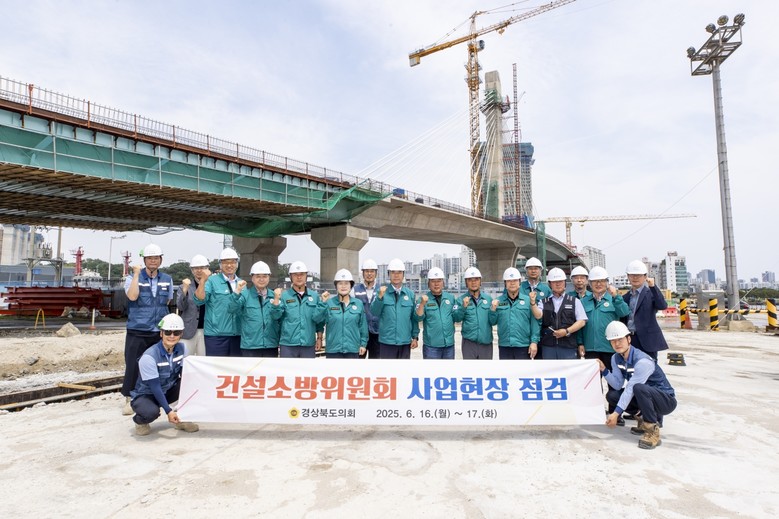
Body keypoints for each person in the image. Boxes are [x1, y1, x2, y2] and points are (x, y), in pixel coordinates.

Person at [601, 320, 677, 449]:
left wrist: (616, 413)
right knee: (612, 396)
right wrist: (604, 370)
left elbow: (631, 388)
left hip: (665, 401)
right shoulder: (616, 358)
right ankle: (642, 418)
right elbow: (618, 385)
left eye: (620, 339)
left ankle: (652, 430)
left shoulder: (642, 361)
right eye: (613, 341)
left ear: (629, 339)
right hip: (644, 397)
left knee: (638, 388)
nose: (617, 344)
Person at [121, 243, 174, 415]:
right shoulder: (132, 277)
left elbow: (167, 301)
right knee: (133, 365)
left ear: (161, 260)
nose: (153, 261)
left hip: (158, 330)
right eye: (149, 258)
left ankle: (152, 396)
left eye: (156, 258)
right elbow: (132, 296)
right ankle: (129, 399)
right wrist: (137, 274)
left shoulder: (167, 279)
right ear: (144, 260)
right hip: (137, 329)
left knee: (157, 365)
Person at [130, 313, 199, 436]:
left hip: (167, 389)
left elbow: (185, 375)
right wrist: (168, 411)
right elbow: (155, 387)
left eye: (176, 333)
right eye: (168, 332)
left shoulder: (183, 349)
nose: (172, 336)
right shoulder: (149, 357)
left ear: (181, 334)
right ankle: (140, 421)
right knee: (150, 413)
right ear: (161, 333)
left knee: (193, 385)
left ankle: (181, 419)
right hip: (147, 394)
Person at [194, 248, 243, 357]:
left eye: (232, 262)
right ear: (220, 264)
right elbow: (199, 300)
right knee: (215, 366)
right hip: (215, 336)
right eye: (225, 262)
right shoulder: (211, 281)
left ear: (237, 264)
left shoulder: (241, 283)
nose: (229, 265)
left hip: (237, 335)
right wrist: (203, 280)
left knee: (235, 367)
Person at [271, 261, 323, 358]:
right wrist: (276, 301)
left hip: (308, 344)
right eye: (295, 275)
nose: (299, 277)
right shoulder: (284, 296)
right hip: (288, 345)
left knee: (307, 368)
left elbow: (319, 321)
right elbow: (275, 317)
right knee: (287, 368)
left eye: (302, 274)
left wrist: (319, 338)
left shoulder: (314, 296)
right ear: (290, 277)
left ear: (306, 276)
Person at [580, 266, 630, 367]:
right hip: (590, 349)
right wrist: (580, 343)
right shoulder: (583, 302)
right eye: (595, 281)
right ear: (590, 283)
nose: (598, 284)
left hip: (610, 348)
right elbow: (580, 324)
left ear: (607, 283)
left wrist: (616, 296)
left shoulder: (614, 299)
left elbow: (624, 312)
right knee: (593, 377)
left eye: (602, 281)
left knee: (613, 376)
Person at [371, 258, 419, 359]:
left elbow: (413, 318)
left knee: (404, 369)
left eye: (399, 272)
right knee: (387, 369)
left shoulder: (410, 294)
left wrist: (415, 337)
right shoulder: (381, 292)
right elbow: (374, 312)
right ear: (389, 274)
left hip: (404, 342)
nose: (396, 275)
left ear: (403, 274)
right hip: (387, 342)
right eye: (393, 272)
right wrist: (379, 298)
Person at [230, 261, 280, 357]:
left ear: (269, 277)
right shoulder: (245, 295)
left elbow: (277, 316)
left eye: (264, 276)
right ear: (252, 278)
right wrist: (237, 291)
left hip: (270, 345)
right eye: (258, 276)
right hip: (250, 346)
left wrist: (276, 301)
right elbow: (232, 309)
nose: (261, 279)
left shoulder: (275, 296)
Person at [622, 259, 669, 361]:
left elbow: (662, 305)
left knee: (649, 367)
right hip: (629, 339)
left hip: (647, 340)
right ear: (628, 276)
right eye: (632, 275)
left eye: (638, 275)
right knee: (630, 367)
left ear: (645, 276)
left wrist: (653, 287)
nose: (635, 278)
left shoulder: (651, 293)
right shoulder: (625, 297)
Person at [490, 267, 540, 360]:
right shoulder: (498, 301)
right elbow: (492, 322)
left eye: (515, 280)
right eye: (509, 281)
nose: (512, 283)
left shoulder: (528, 300)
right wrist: (493, 309)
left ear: (519, 282)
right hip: (505, 346)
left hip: (523, 345)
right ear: (505, 284)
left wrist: (534, 342)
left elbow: (535, 323)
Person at [537, 267, 587, 360]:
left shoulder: (574, 301)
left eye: (560, 281)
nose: (558, 284)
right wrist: (532, 303)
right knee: (549, 369)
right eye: (554, 282)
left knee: (569, 370)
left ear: (565, 283)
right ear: (550, 284)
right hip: (548, 346)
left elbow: (581, 321)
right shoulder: (543, 302)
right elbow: (538, 315)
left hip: (568, 347)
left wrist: (566, 331)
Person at [320, 269, 367, 358]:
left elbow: (363, 327)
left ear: (351, 285)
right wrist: (322, 303)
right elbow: (317, 319)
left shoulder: (358, 304)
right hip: (333, 350)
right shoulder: (329, 303)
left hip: (352, 349)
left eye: (346, 283)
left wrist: (363, 344)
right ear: (336, 286)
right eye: (340, 283)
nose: (343, 286)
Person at [416, 267, 458, 359]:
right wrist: (422, 304)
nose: (436, 284)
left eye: (439, 281)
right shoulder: (423, 299)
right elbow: (418, 318)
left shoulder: (450, 298)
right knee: (431, 369)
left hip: (449, 345)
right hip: (431, 347)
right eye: (433, 281)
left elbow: (456, 317)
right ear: (428, 283)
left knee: (449, 369)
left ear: (443, 283)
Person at [455, 266, 494, 360]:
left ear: (480, 281)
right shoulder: (460, 300)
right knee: (470, 368)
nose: (473, 282)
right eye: (470, 280)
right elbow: (456, 318)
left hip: (486, 343)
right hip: (469, 343)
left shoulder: (488, 299)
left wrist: (493, 310)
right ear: (466, 283)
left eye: (476, 279)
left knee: (486, 369)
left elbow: (493, 321)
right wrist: (463, 307)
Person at [177, 254, 209, 357]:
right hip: (189, 330)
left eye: (202, 268)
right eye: (196, 268)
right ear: (192, 270)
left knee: (203, 360)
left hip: (207, 329)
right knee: (185, 359)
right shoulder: (184, 286)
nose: (199, 270)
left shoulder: (212, 285)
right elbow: (181, 307)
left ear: (207, 269)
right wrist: (184, 291)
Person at [353, 259, 380, 359]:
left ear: (376, 273)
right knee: (358, 363)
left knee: (375, 364)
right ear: (363, 273)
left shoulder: (381, 290)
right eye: (367, 271)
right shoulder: (354, 290)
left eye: (372, 271)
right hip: (359, 333)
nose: (369, 274)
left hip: (377, 333)